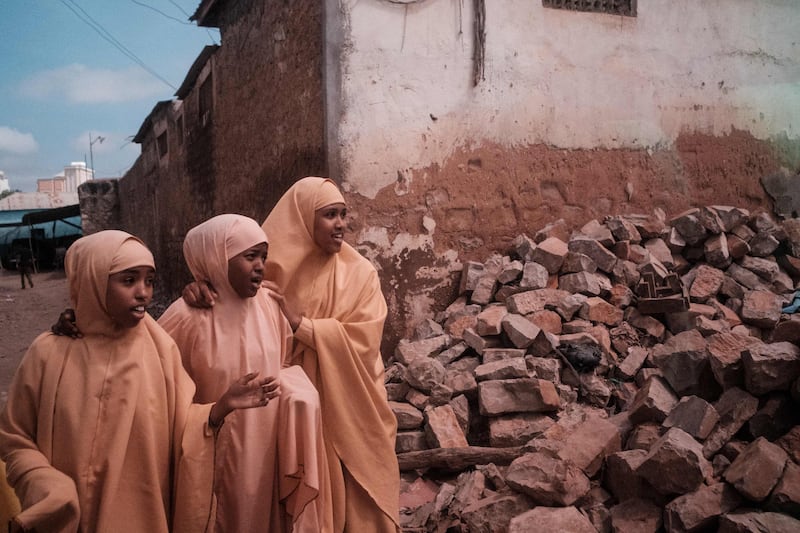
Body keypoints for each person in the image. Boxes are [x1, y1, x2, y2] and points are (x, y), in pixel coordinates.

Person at [0, 230, 278, 533]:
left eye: (150, 281)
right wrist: (45, 484)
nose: (144, 292)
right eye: (129, 280)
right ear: (92, 280)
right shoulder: (49, 353)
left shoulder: (159, 352)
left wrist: (218, 410)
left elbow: (182, 431)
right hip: (68, 519)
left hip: (144, 517)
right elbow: (15, 438)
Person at [185, 178, 400, 532]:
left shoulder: (360, 274)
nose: (341, 224)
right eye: (330, 214)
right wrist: (199, 285)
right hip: (287, 406)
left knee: (359, 497)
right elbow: (228, 291)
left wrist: (301, 325)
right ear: (302, 218)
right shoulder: (268, 266)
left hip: (350, 396)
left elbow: (364, 340)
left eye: (344, 214)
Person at [157, 214, 331, 533]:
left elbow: (282, 363)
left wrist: (298, 392)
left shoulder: (268, 304)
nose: (261, 266)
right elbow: (154, 385)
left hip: (266, 451)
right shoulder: (186, 317)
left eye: (263, 256)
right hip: (214, 455)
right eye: (250, 256)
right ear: (216, 258)